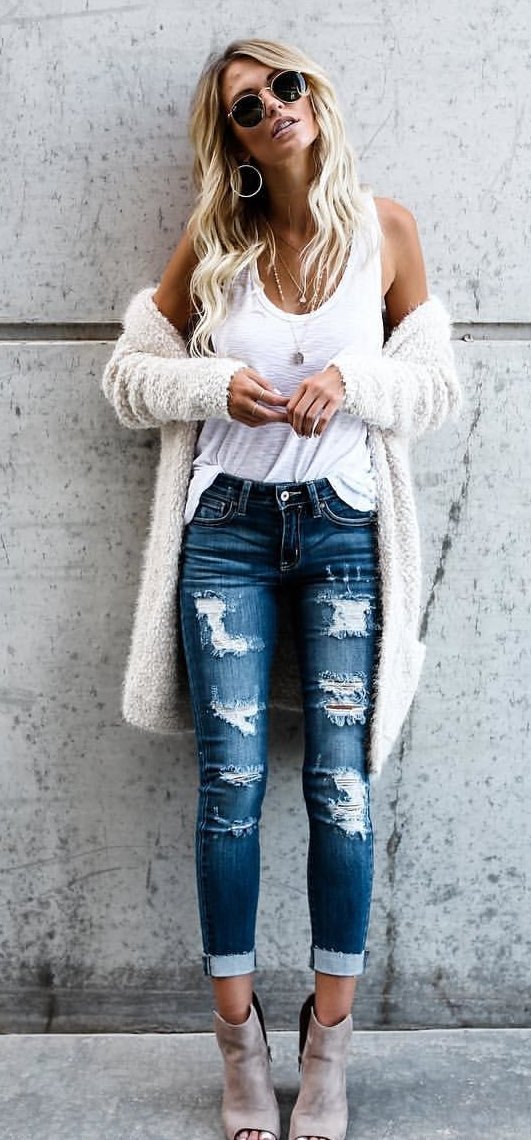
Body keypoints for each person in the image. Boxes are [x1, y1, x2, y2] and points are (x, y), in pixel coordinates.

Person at [101, 37, 463, 1140]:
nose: (274, 108)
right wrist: (214, 382)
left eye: (285, 86)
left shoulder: (386, 230)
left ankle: (330, 1048)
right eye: (248, 105)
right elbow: (128, 375)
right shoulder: (216, 241)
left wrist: (354, 379)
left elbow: (439, 385)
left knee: (342, 793)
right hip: (227, 541)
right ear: (235, 138)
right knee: (232, 788)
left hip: (347, 536)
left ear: (318, 95)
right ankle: (240, 1049)